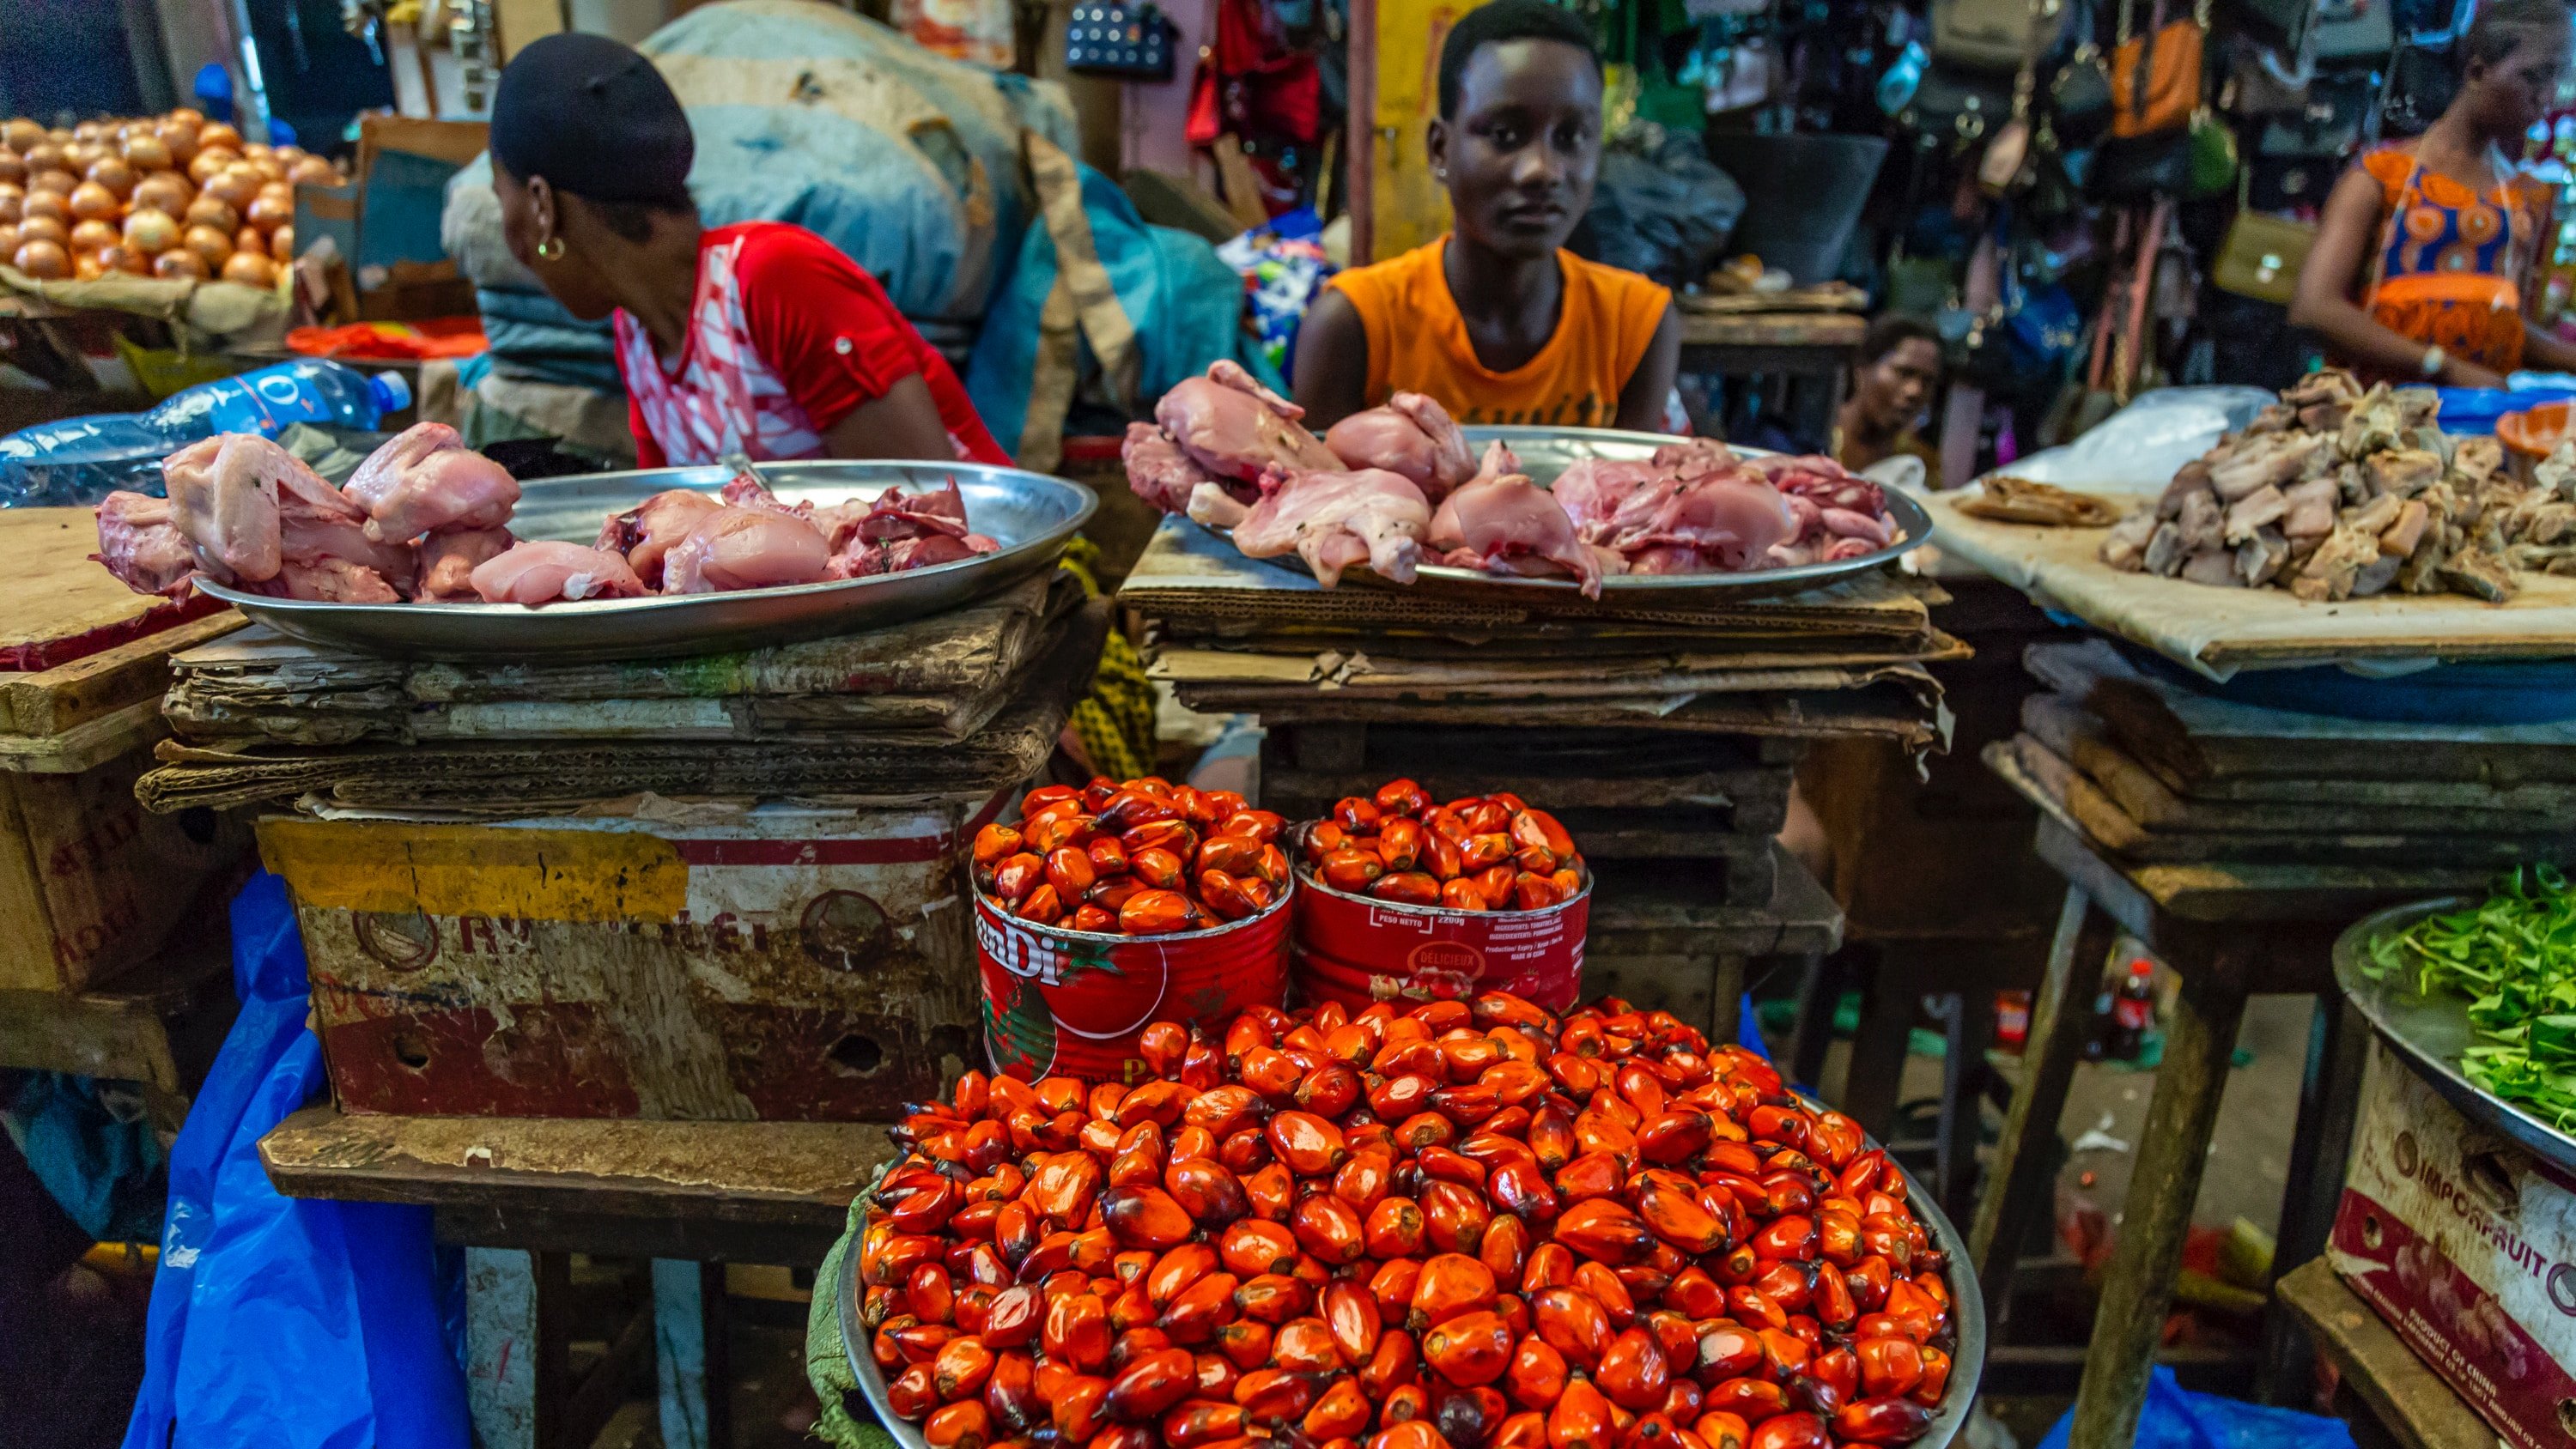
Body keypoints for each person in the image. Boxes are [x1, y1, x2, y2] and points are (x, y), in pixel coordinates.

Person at [486, 33, 1010, 469]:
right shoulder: (639, 336)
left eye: (498, 195)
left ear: (541, 206)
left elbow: (921, 519)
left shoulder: (775, 277)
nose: (510, 239)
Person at [1289, 0, 1680, 432]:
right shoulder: (1354, 326)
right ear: (1439, 148)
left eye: (1571, 136)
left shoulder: (1635, 326)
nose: (1543, 170)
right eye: (1505, 135)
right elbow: (1312, 496)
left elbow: (1634, 498)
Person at [2290, 0, 2576, 388]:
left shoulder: (2521, 196)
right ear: (2476, 72)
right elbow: (2313, 308)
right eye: (2532, 77)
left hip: (2481, 426)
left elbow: (2502, 321)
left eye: (2554, 80)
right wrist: (2443, 366)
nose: (2544, 97)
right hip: (2378, 417)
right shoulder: (2380, 174)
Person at [1832, 315, 1944, 473]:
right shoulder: (1814, 443)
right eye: (1904, 373)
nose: (1915, 391)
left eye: (1927, 381)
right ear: (1862, 369)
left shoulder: (1920, 463)